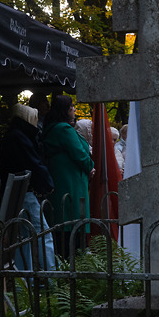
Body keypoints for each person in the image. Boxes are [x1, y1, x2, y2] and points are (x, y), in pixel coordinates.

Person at [0, 104, 56, 271]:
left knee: (23, 236)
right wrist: (47, 183)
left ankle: (25, 277)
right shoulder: (20, 138)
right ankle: (52, 275)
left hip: (17, 191)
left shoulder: (14, 136)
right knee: (42, 233)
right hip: (24, 192)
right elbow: (33, 163)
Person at [43, 95, 95, 254]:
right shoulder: (64, 129)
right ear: (65, 110)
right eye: (71, 107)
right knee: (73, 222)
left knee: (64, 222)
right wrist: (90, 166)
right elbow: (79, 152)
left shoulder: (52, 128)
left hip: (64, 182)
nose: (74, 109)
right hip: (72, 183)